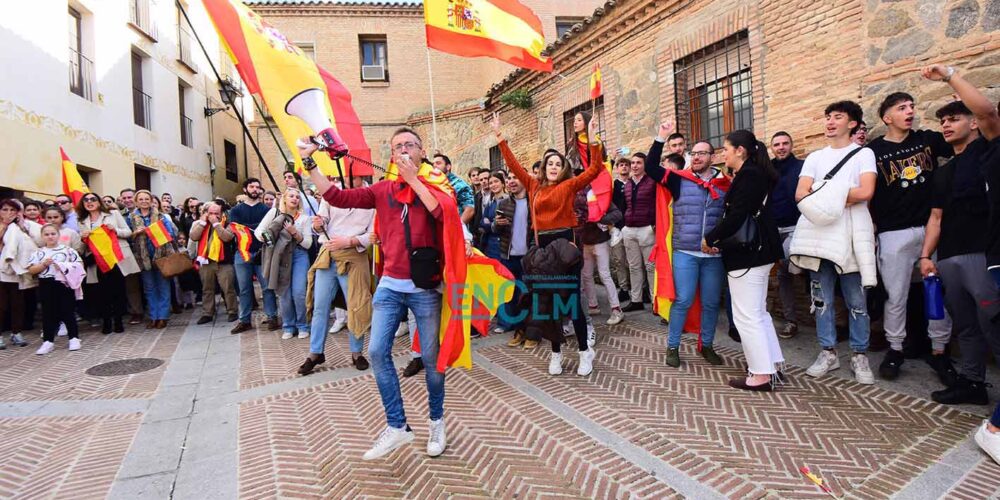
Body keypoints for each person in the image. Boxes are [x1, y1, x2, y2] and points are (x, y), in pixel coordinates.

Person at [299, 126, 449, 461]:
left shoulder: (435, 184)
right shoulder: (381, 190)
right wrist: (309, 162)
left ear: (422, 152)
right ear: (392, 156)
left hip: (425, 289)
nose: (405, 149)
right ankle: (398, 426)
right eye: (398, 146)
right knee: (379, 351)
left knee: (431, 360)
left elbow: (441, 213)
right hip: (390, 284)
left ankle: (437, 421)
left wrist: (413, 181)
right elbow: (336, 197)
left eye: (410, 144)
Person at [492, 111, 603, 376]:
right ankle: (556, 353)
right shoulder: (533, 186)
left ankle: (585, 353)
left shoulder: (568, 186)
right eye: (549, 163)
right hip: (542, 252)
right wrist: (500, 137)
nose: (553, 167)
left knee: (572, 304)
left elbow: (595, 169)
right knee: (549, 304)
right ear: (544, 167)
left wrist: (594, 139)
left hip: (566, 250)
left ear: (563, 168)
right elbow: (514, 165)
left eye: (557, 163)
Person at [916, 64, 1000, 405]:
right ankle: (972, 384)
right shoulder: (943, 171)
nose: (946, 125)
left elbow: (988, 110)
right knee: (965, 326)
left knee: (993, 323)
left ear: (974, 123)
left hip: (985, 254)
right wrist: (926, 256)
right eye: (942, 121)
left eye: (954, 118)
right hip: (949, 256)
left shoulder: (989, 151)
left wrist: (950, 75)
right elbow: (936, 218)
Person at [868, 91, 956, 382]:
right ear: (887, 117)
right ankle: (895, 349)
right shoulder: (874, 151)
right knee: (896, 296)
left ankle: (940, 351)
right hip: (894, 232)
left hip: (931, 228)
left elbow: (961, 139)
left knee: (936, 291)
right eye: (902, 108)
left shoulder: (927, 140)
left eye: (912, 107)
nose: (910, 111)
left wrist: (961, 105)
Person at [791, 100, 877, 385]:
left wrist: (822, 192)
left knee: (856, 300)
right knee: (822, 299)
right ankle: (827, 351)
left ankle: (858, 353)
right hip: (819, 234)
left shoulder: (863, 154)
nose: (829, 121)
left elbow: (866, 191)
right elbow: (800, 195)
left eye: (837, 117)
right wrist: (840, 195)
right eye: (827, 116)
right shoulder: (815, 157)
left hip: (851, 234)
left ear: (852, 123)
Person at [643, 122, 728, 367]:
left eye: (703, 153)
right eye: (694, 153)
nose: (697, 156)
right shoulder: (679, 180)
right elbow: (650, 167)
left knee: (712, 303)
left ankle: (707, 345)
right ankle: (672, 346)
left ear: (714, 157)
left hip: (713, 255)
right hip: (685, 252)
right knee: (683, 300)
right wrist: (661, 137)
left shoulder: (725, 185)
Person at [705, 130, 784, 391]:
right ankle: (771, 367)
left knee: (747, 316)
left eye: (725, 149)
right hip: (757, 253)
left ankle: (760, 374)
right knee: (759, 314)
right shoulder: (753, 173)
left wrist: (711, 238)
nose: (722, 153)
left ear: (740, 150)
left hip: (749, 255)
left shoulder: (749, 175)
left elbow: (736, 216)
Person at [299, 178, 375, 375]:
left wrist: (350, 240)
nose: (350, 177)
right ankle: (315, 352)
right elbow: (321, 221)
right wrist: (318, 223)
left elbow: (374, 235)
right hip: (328, 255)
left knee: (356, 306)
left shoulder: (372, 196)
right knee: (320, 306)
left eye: (355, 173)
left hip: (354, 257)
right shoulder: (331, 192)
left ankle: (356, 352)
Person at [78, 193, 139, 334]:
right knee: (102, 293)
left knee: (118, 290)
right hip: (97, 260)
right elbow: (82, 247)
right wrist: (83, 238)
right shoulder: (81, 221)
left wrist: (115, 230)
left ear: (99, 202)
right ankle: (106, 322)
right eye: (86, 200)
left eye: (93, 199)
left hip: (115, 257)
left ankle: (118, 321)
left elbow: (128, 232)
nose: (89, 202)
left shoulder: (113, 214)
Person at [256, 189, 313, 339]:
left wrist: (295, 232)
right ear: (285, 199)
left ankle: (303, 325)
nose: (295, 199)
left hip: (299, 255)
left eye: (297, 197)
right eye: (291, 196)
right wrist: (268, 240)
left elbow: (308, 244)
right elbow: (259, 231)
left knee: (299, 292)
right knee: (284, 292)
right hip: (280, 257)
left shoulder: (305, 218)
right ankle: (288, 325)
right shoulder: (275, 213)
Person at [229, 178, 280, 334]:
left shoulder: (266, 209)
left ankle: (272, 317)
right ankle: (244, 320)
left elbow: (268, 228)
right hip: (242, 252)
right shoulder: (236, 210)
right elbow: (236, 229)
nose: (255, 189)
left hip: (262, 252)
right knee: (244, 289)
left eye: (258, 187)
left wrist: (251, 227)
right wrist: (257, 227)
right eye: (251, 186)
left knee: (267, 288)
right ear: (245, 189)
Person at [27, 224, 84, 354]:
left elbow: (79, 264)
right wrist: (43, 265)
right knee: (48, 312)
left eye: (53, 234)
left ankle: (74, 337)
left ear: (58, 235)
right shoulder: (38, 253)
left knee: (68, 310)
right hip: (46, 283)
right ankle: (48, 341)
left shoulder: (68, 250)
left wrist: (65, 266)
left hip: (64, 283)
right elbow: (31, 269)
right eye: (46, 234)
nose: (50, 237)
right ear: (42, 237)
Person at [769, 131, 804, 338]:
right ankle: (791, 321)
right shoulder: (767, 169)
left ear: (791, 145)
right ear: (772, 148)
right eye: (777, 144)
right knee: (783, 275)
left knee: (788, 264)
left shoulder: (802, 167)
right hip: (773, 229)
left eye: (785, 143)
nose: (781, 147)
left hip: (797, 228)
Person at [126, 189, 177, 329]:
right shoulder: (131, 217)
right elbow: (127, 236)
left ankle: (163, 316)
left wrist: (155, 230)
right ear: (136, 201)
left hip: (161, 255)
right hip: (142, 257)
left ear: (151, 201)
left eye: (146, 199)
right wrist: (135, 233)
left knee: (163, 286)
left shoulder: (161, 216)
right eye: (141, 199)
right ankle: (153, 316)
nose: (144, 201)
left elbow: (171, 234)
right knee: (149, 288)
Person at [579, 178, 625, 326]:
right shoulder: (575, 198)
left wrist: (601, 218)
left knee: (604, 274)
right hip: (585, 242)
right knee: (586, 275)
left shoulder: (599, 195)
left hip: (600, 241)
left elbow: (617, 214)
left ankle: (616, 309)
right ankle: (593, 305)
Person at [496, 175, 532, 346]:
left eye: (516, 177)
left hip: (529, 257)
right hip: (509, 257)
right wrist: (497, 224)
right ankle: (519, 331)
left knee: (529, 296)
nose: (511, 181)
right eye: (509, 178)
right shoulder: (503, 204)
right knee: (513, 296)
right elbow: (496, 231)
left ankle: (533, 334)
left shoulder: (534, 202)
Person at [189, 202, 239, 325]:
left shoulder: (228, 223)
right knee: (207, 288)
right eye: (210, 213)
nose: (213, 216)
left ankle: (232, 311)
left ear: (221, 213)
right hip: (206, 262)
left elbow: (227, 237)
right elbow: (193, 236)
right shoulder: (200, 224)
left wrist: (216, 224)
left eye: (216, 213)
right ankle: (207, 313)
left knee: (228, 288)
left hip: (223, 262)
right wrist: (202, 223)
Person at [0, 199, 37, 349]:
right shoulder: (5, 227)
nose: (8, 213)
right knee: (1, 305)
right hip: (1, 271)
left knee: (18, 304)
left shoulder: (22, 227)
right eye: (5, 209)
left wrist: (23, 227)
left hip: (18, 271)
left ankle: (17, 332)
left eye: (12, 210)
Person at [433, 154, 476, 224]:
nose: (434, 166)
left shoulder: (459, 185)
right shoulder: (436, 184)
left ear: (448, 167)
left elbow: (470, 210)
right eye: (433, 164)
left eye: (438, 163)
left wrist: (458, 229)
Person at [477, 171, 507, 259]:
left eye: (496, 181)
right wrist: (494, 223)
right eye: (491, 183)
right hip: (491, 246)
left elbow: (507, 224)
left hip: (505, 245)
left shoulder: (510, 201)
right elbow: (482, 224)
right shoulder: (490, 203)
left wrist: (490, 223)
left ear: (503, 183)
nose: (493, 185)